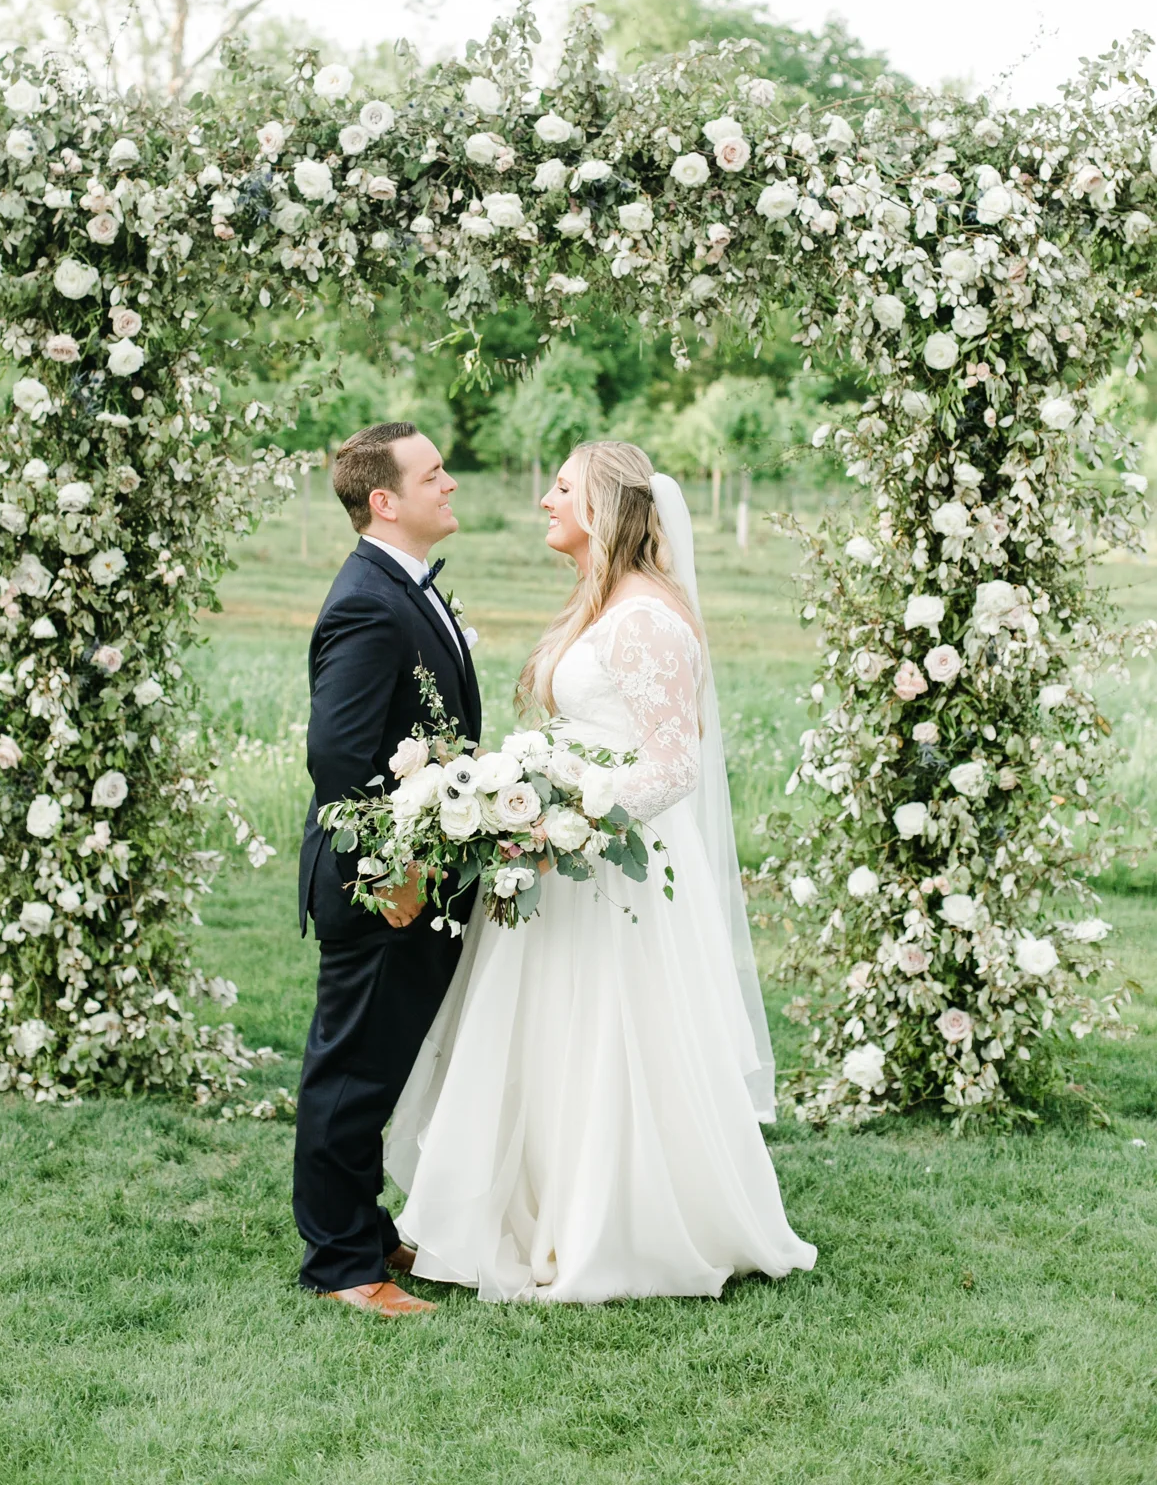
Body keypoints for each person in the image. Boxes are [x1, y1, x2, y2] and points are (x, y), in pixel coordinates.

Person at [388, 440, 816, 1302]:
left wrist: (571, 812)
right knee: (550, 1036)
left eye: (561, 487)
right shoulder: (603, 604)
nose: (546, 499)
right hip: (565, 854)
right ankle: (534, 1212)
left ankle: (616, 1227)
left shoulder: (648, 618)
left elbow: (672, 766)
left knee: (613, 1038)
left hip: (615, 867)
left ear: (605, 508)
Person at [293, 421, 481, 1317]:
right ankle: (341, 1265)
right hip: (382, 885)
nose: (449, 483)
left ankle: (364, 1230)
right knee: (351, 1069)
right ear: (385, 500)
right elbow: (337, 757)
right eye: (433, 473)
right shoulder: (367, 600)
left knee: (381, 1062)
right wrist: (391, 869)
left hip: (414, 873)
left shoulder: (403, 585)